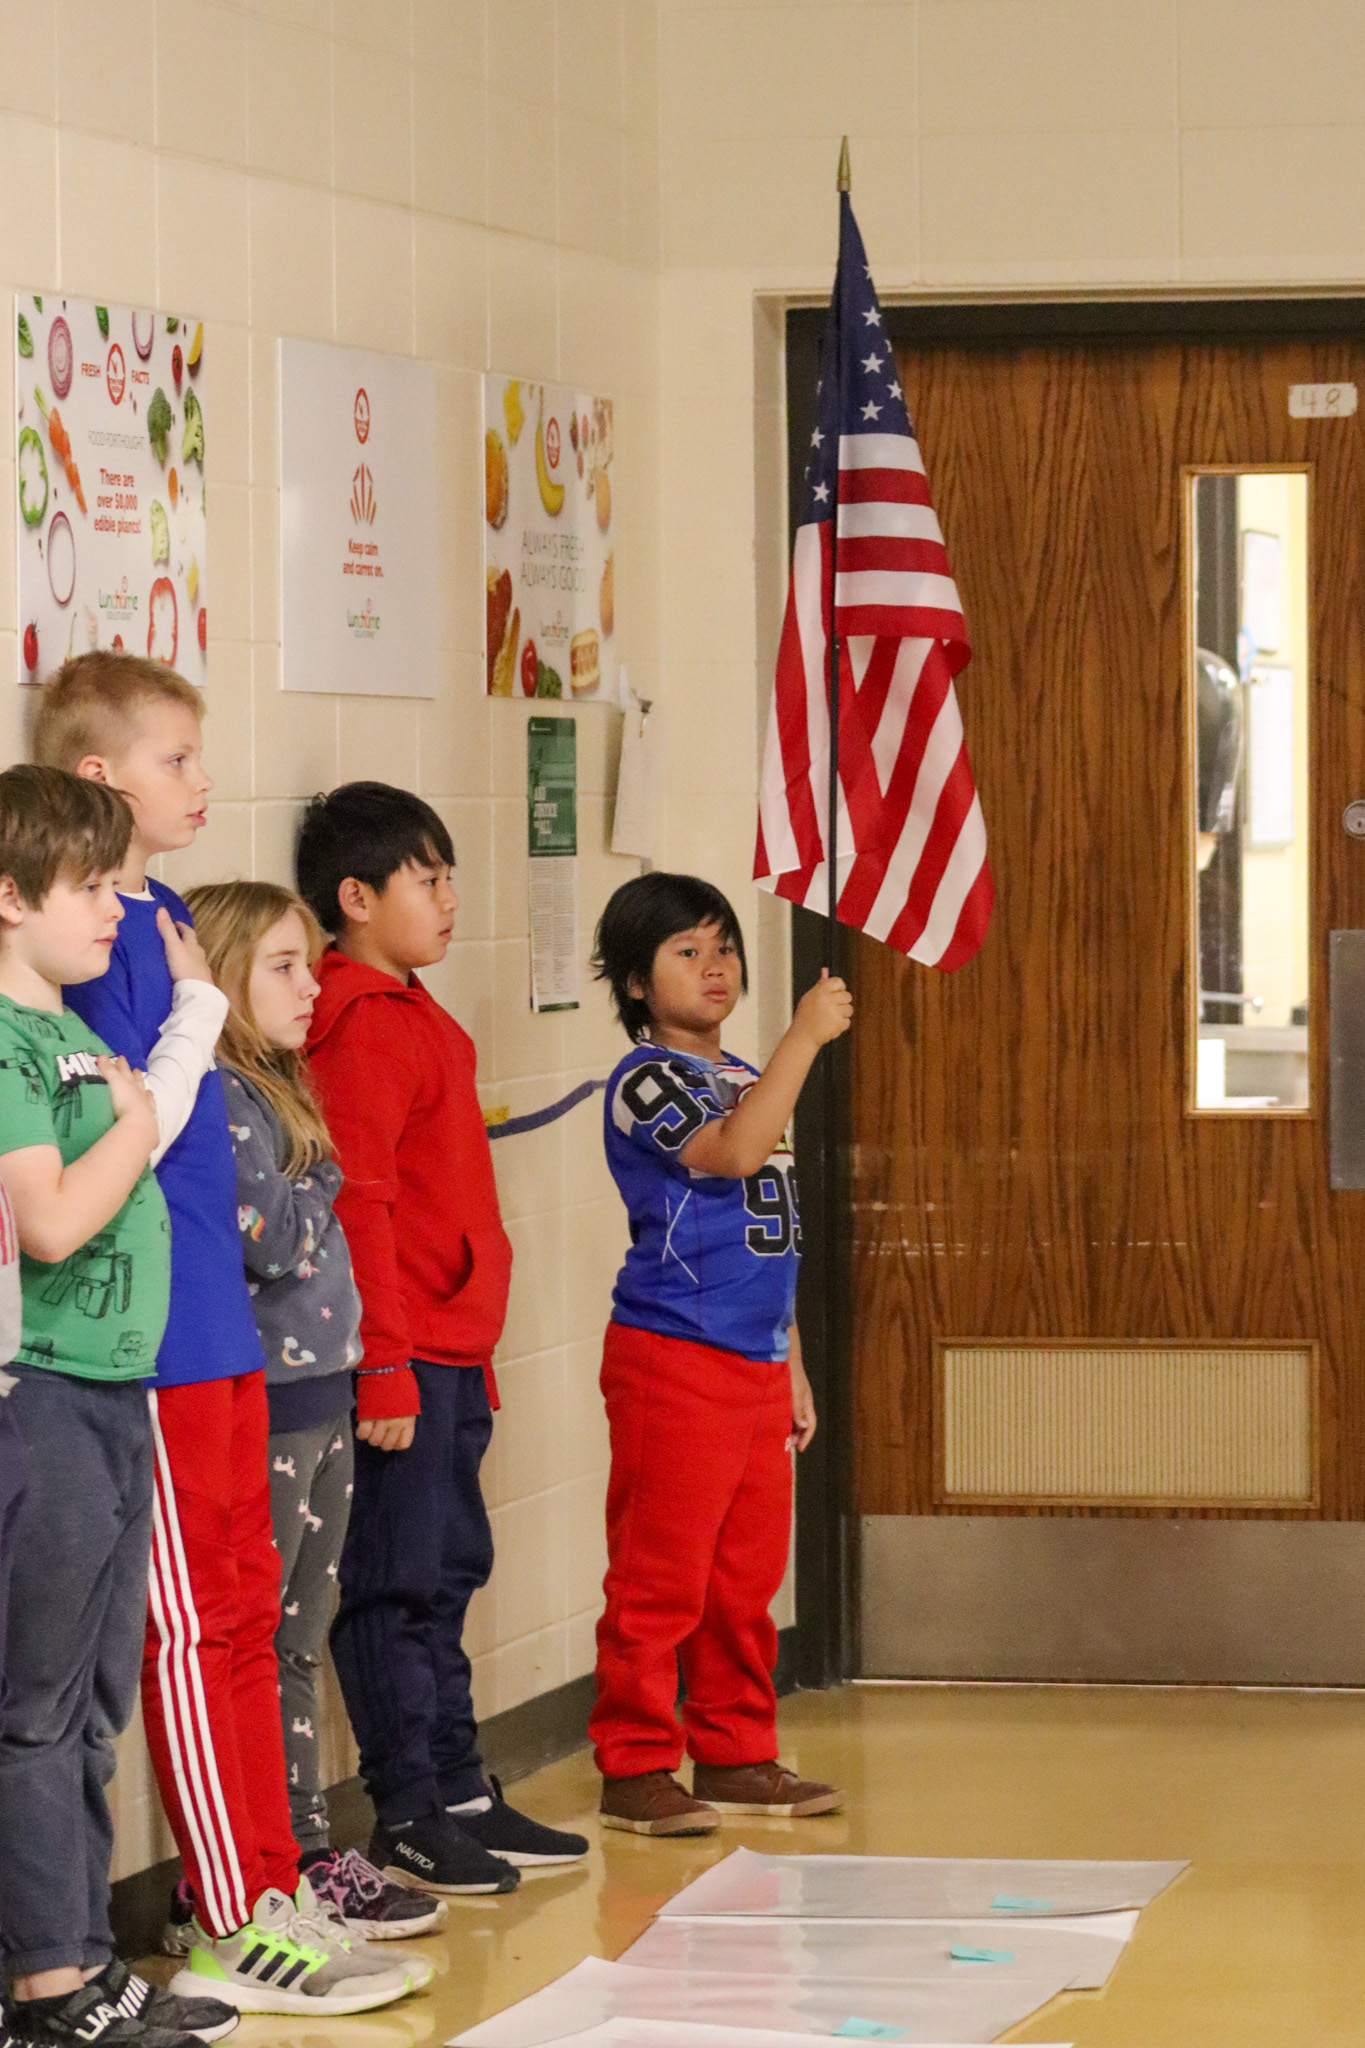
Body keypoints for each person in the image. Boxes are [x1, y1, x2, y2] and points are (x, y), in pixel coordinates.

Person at [32, 656, 413, 2020]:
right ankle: (229, 1914)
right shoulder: (97, 937)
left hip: (222, 1331)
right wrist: (196, 1011)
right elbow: (138, 1116)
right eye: (178, 759)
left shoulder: (158, 912)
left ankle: (275, 1879)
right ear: (99, 779)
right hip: (155, 1338)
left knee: (249, 1617)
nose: (202, 781)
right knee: (197, 1636)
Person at [297, 782, 588, 1893]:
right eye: (429, 879)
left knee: (453, 1567)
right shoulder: (360, 1020)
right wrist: (384, 1360)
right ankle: (408, 1804)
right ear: (357, 896)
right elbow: (358, 1200)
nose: (452, 898)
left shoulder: (414, 1008)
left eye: (452, 876)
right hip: (402, 1353)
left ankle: (461, 1782)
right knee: (395, 1581)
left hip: (452, 1349)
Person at [0, 764, 239, 2048]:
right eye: (88, 886)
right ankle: (45, 1984)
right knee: (34, 1702)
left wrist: (145, 1091)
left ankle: (84, 1953)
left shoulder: (73, 1031)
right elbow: (46, 1218)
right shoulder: (1, 1037)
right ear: (7, 896)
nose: (112, 908)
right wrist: (135, 1128)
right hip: (40, 1390)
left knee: (92, 1700)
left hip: (112, 1390)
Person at [183, 879, 445, 1943]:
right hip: (274, 1397)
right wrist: (328, 1172)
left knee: (299, 1634)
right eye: (285, 967)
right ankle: (259, 1863)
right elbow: (276, 1236)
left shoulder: (282, 1088)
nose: (310, 985)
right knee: (264, 1635)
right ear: (227, 977)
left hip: (322, 1388)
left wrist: (319, 1169)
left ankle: (297, 1842)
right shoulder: (227, 1094)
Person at [588, 872, 852, 1835]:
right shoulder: (645, 1078)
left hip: (751, 1361)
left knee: (743, 1578)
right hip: (674, 1356)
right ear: (632, 983)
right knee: (661, 1575)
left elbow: (767, 1234)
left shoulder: (745, 1070)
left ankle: (736, 1749)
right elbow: (735, 1156)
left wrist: (789, 1359)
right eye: (686, 953)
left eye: (725, 947)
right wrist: (803, 1038)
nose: (715, 967)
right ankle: (635, 1764)